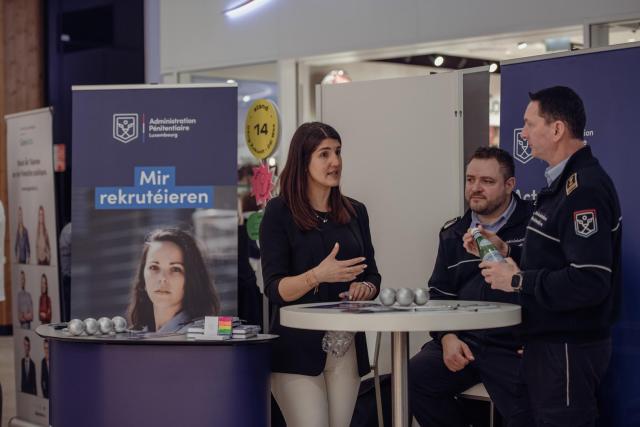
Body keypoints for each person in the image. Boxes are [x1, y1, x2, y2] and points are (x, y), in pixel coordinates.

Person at [464, 86, 621, 426]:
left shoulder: (584, 189)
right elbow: (557, 256)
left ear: (557, 129)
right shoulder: (561, 184)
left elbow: (590, 280)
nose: (522, 133)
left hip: (567, 347)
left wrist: (516, 280)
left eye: (530, 124)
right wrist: (507, 249)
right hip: (548, 344)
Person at [260, 122, 381, 427]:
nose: (335, 162)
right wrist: (317, 275)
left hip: (346, 346)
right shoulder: (278, 212)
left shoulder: (356, 212)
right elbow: (274, 289)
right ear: (303, 162)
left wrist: (365, 289)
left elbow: (373, 275)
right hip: (296, 352)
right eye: (324, 154)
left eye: (338, 152)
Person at [409, 146, 533, 427]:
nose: (475, 188)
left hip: (514, 345)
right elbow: (439, 294)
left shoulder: (536, 224)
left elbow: (552, 281)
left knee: (534, 406)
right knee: (413, 378)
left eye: (486, 181)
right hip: (466, 341)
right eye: (470, 179)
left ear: (510, 185)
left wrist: (540, 339)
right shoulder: (452, 232)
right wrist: (447, 337)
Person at [127, 228, 220, 334]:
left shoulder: (200, 335)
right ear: (143, 278)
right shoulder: (136, 335)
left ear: (191, 279)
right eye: (154, 267)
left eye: (175, 269)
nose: (162, 278)